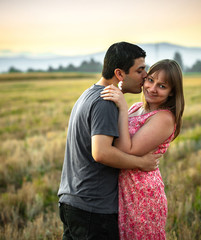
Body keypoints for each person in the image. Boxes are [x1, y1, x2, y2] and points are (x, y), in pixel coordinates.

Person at [57, 42, 162, 240]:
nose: (145, 76)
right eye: (140, 70)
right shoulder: (105, 103)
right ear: (120, 74)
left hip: (72, 201)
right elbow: (101, 152)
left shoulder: (88, 94)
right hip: (93, 209)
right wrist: (141, 163)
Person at [101, 59, 185, 239]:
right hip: (122, 188)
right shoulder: (136, 107)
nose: (153, 88)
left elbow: (128, 150)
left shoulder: (164, 118)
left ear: (171, 93)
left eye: (162, 86)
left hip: (141, 194)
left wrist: (122, 108)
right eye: (150, 80)